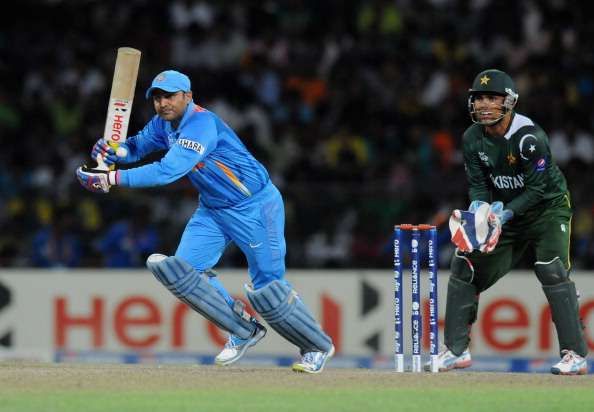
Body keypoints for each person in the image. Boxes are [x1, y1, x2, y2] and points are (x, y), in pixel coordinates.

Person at [76, 69, 334, 373]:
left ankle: (316, 347)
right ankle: (243, 330)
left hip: (254, 206)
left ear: (188, 96)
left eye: (169, 96)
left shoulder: (202, 125)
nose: (162, 103)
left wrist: (111, 178)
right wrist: (115, 150)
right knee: (182, 272)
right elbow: (136, 147)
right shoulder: (163, 124)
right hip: (213, 209)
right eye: (157, 98)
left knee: (268, 288)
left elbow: (166, 171)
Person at [435, 69, 588, 375]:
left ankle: (575, 355)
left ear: (510, 102)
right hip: (507, 213)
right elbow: (478, 183)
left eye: (492, 98)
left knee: (552, 270)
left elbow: (537, 189)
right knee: (464, 263)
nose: (484, 105)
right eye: (479, 99)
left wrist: (502, 215)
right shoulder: (471, 138)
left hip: (548, 210)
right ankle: (456, 350)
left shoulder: (529, 138)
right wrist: (479, 207)